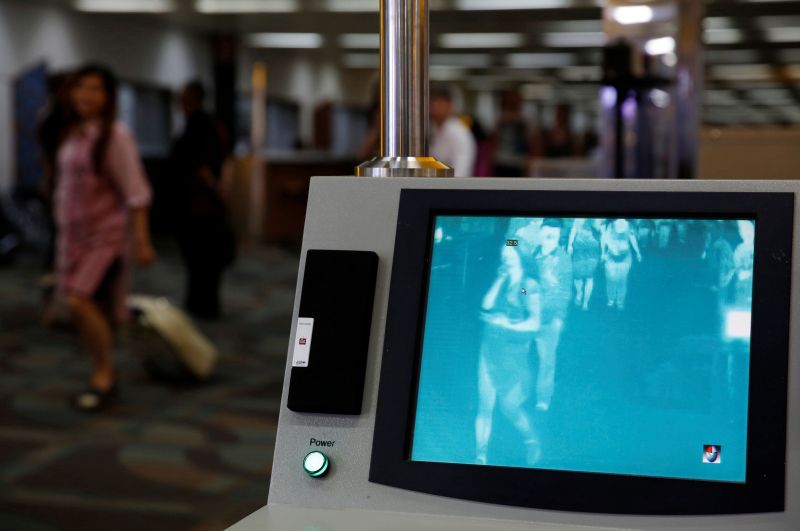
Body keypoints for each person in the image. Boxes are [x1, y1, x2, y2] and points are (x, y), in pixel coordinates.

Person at [52, 64, 155, 411]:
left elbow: (136, 192)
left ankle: (104, 376)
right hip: (74, 238)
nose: (87, 95)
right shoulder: (73, 133)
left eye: (96, 89)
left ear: (109, 97)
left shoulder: (116, 136)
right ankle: (104, 363)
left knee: (80, 301)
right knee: (84, 305)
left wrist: (142, 240)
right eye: (81, 87)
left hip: (105, 237)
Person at [170, 81, 234, 319]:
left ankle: (204, 305)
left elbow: (203, 166)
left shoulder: (201, 126)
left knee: (203, 257)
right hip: (197, 204)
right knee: (199, 258)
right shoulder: (201, 124)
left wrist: (217, 190)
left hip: (201, 205)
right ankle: (199, 302)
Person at [475, 244, 542, 466]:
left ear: (520, 255)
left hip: (513, 354)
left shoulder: (526, 287)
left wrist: (506, 324)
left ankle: (531, 440)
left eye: (510, 250)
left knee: (509, 408)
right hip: (490, 349)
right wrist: (499, 280)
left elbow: (534, 322)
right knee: (485, 407)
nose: (505, 253)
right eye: (503, 250)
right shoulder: (503, 280)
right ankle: (479, 457)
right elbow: (485, 306)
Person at [532, 219, 573, 411]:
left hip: (549, 319)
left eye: (553, 237)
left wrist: (559, 319)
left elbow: (565, 293)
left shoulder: (563, 260)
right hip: (526, 317)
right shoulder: (531, 252)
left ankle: (543, 398)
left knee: (547, 361)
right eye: (546, 235)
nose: (549, 240)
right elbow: (508, 242)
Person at [429, 87, 476, 177]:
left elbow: (462, 169)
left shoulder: (459, 132)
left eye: (439, 102)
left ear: (450, 105)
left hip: (452, 185)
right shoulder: (433, 128)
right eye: (432, 102)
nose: (434, 106)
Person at [601, 219, 642, 310]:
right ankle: (611, 299)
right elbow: (604, 239)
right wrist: (603, 253)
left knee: (622, 280)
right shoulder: (610, 225)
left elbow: (632, 239)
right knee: (610, 279)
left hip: (625, 256)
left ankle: (620, 302)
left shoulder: (629, 225)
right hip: (611, 256)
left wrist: (638, 252)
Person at [567, 218, 602, 311]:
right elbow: (574, 229)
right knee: (577, 277)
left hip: (593, 251)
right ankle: (579, 293)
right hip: (579, 249)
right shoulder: (579, 219)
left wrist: (603, 251)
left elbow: (602, 233)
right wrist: (569, 245)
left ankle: (586, 302)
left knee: (590, 277)